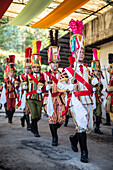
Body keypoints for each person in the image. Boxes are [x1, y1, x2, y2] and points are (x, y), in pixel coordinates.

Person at [57, 19, 93, 163]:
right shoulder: (67, 70)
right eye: (78, 51)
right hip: (75, 100)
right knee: (82, 127)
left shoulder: (88, 69)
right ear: (74, 52)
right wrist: (69, 87)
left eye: (83, 51)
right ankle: (84, 153)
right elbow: (60, 85)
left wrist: (94, 84)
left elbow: (91, 84)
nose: (81, 54)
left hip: (88, 100)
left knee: (88, 127)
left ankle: (74, 139)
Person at [40, 30, 65, 146]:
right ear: (49, 64)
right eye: (53, 63)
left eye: (56, 63)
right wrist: (46, 87)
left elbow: (65, 87)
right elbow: (40, 87)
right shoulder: (44, 74)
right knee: (51, 119)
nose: (55, 65)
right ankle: (54, 138)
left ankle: (55, 131)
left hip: (60, 99)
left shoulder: (62, 74)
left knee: (61, 119)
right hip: (49, 99)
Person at [27, 40, 43, 137]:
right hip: (30, 97)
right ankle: (36, 131)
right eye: (34, 67)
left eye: (37, 67)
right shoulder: (28, 76)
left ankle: (33, 125)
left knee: (38, 116)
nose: (36, 69)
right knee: (33, 114)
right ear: (32, 67)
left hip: (39, 98)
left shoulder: (42, 76)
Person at [16, 47, 32, 130]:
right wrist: (19, 86)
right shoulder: (20, 76)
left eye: (29, 68)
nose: (28, 69)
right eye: (26, 68)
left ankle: (23, 118)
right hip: (23, 94)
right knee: (26, 109)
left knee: (30, 109)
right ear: (24, 68)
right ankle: (28, 124)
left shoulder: (33, 76)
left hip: (31, 93)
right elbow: (17, 84)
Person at [91, 49, 104, 134]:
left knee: (99, 113)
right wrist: (92, 88)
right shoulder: (90, 78)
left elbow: (100, 88)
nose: (97, 72)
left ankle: (97, 128)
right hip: (92, 98)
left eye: (98, 71)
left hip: (98, 98)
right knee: (91, 113)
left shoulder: (99, 79)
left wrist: (101, 94)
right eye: (96, 70)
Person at [3, 55, 17, 123]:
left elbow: (18, 86)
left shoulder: (16, 79)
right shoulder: (6, 79)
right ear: (8, 73)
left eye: (13, 72)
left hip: (14, 94)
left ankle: (11, 115)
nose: (12, 73)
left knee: (13, 108)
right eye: (10, 72)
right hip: (8, 94)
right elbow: (2, 86)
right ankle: (9, 118)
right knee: (9, 107)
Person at [64, 56, 75, 127]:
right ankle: (66, 121)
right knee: (67, 110)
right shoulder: (67, 73)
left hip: (76, 94)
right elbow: (64, 83)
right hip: (68, 94)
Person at [104, 55, 113, 126]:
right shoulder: (111, 79)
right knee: (107, 108)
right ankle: (108, 121)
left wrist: (108, 89)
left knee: (110, 109)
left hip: (111, 96)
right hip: (109, 96)